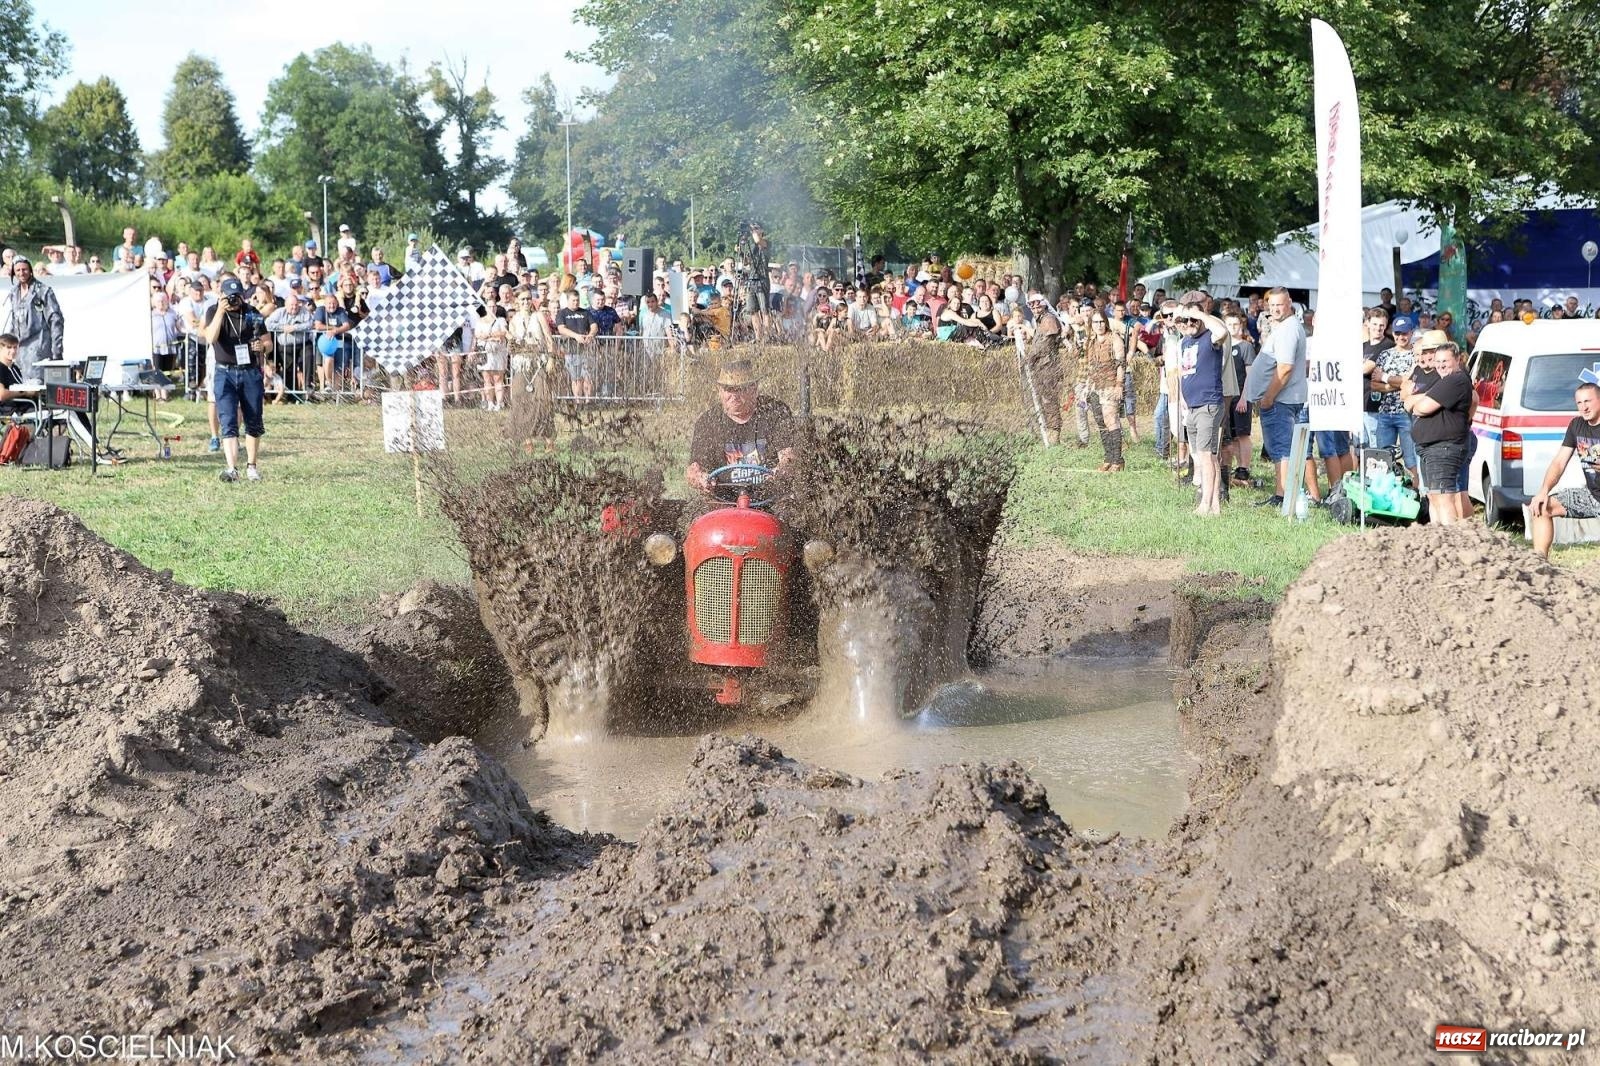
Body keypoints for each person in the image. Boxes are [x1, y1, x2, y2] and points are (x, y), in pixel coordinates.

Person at [685, 360, 796, 496]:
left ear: (754, 389)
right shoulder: (708, 422)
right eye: (728, 389)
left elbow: (789, 457)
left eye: (739, 389)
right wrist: (700, 478)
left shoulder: (775, 412)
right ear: (719, 391)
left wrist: (781, 472)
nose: (734, 396)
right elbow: (693, 470)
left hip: (769, 498)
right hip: (723, 500)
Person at [201, 277, 270, 482]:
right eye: (229, 296)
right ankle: (232, 468)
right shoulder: (213, 311)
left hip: (250, 371)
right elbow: (210, 338)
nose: (234, 300)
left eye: (237, 295)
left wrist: (262, 347)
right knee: (228, 420)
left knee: (253, 419)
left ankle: (252, 466)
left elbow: (268, 342)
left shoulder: (252, 313)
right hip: (224, 372)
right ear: (221, 295)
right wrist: (221, 311)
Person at [1402, 330, 1473, 524]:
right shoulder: (1437, 378)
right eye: (1437, 360)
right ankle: (1437, 536)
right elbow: (1406, 399)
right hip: (1430, 447)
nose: (1440, 364)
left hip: (1444, 447)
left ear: (1457, 360)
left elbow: (1421, 408)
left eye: (1445, 361)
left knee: (1446, 496)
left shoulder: (1456, 379)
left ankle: (1450, 537)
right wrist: (1421, 400)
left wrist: (1418, 401)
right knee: (1433, 496)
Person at [1250, 288, 1310, 508]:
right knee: (1283, 448)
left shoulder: (1287, 329)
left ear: (1290, 303)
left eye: (1280, 304)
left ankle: (1282, 496)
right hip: (1286, 398)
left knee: (1281, 448)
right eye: (1272, 305)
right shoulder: (1287, 326)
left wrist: (1268, 397)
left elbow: (1284, 368)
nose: (1275, 309)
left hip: (1281, 400)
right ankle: (1284, 494)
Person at [1529, 383, 1600, 556]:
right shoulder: (1576, 425)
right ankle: (1539, 563)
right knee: (1542, 506)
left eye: (1588, 401)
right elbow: (1559, 463)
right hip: (1592, 496)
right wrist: (1543, 491)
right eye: (1579, 403)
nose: (1584, 407)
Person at [1176, 305, 1229, 514]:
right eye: (1185, 320)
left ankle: (1205, 504)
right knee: (1205, 456)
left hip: (1208, 404)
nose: (1189, 323)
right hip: (1192, 406)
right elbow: (1183, 372)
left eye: (1193, 320)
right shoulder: (1184, 342)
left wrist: (1199, 314)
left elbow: (1223, 332)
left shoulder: (1210, 337)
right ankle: (1215, 504)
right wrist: (1183, 397)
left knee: (1206, 455)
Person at [0, 257, 64, 380]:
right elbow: (14, 323)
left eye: (24, 269)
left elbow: (56, 321)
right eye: (18, 270)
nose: (21, 273)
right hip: (19, 352)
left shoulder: (43, 291)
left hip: (39, 349)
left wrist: (57, 351)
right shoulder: (14, 293)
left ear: (30, 270)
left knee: (37, 385)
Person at [1081, 309, 1127, 471]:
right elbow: (1089, 366)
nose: (1099, 325)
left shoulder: (1115, 339)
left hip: (1110, 384)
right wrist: (1086, 387)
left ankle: (1117, 460)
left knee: (1111, 420)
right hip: (1095, 385)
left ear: (1106, 322)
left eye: (1101, 321)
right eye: (1095, 322)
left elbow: (1121, 364)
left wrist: (1119, 384)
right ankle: (1108, 458)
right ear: (1091, 324)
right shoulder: (1090, 342)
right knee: (1101, 422)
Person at [1020, 293, 1064, 446]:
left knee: (1049, 401)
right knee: (1043, 400)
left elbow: (1045, 344)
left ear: (1044, 305)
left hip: (1048, 366)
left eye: (1037, 305)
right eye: (1032, 306)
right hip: (1041, 366)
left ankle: (1054, 434)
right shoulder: (1040, 321)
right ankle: (1049, 431)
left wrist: (1030, 357)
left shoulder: (1049, 319)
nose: (1035, 308)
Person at [555, 289, 597, 401]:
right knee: (576, 378)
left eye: (577, 300)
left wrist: (591, 335)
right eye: (573, 300)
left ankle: (588, 400)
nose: (576, 302)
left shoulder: (585, 312)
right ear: (568, 300)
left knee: (588, 377)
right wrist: (576, 336)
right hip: (571, 350)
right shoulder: (562, 313)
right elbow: (561, 329)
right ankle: (578, 400)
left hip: (586, 350)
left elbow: (594, 325)